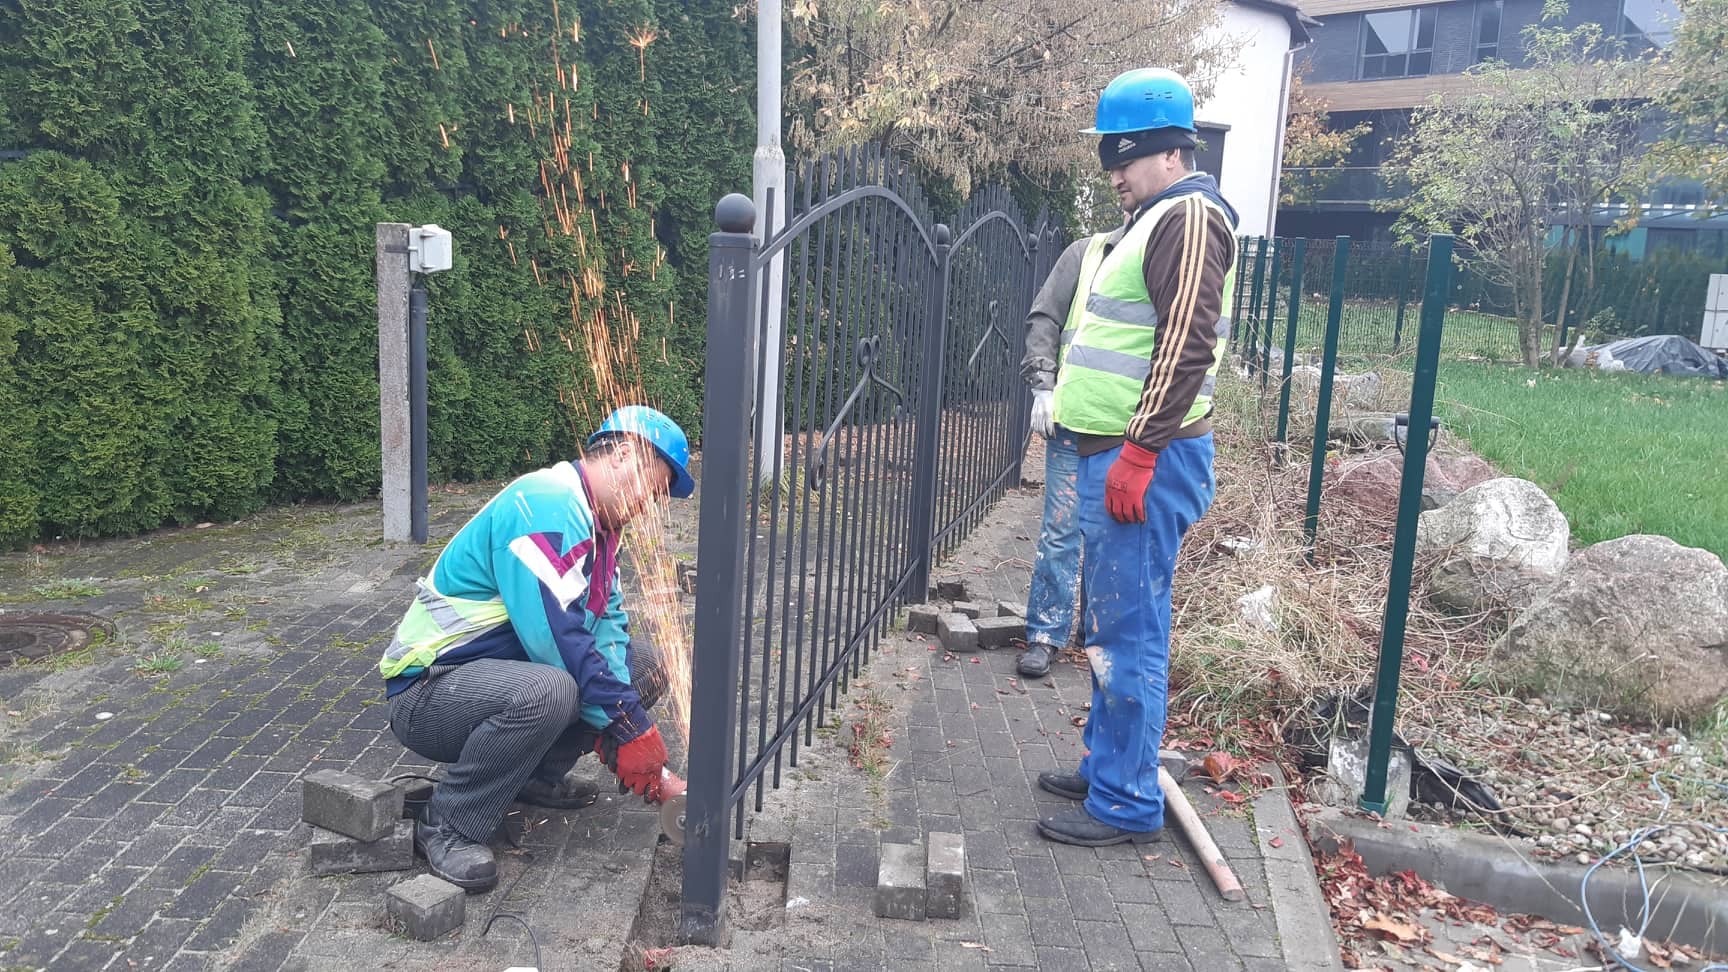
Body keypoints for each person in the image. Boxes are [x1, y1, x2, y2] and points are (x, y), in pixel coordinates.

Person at [1033, 68, 1239, 847]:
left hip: (1143, 464)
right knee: (1108, 624)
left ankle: (1124, 802)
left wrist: (1140, 452)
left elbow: (1185, 345)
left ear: (1169, 152)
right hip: (1116, 457)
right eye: (1108, 158)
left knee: (1130, 634)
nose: (1114, 172)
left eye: (1125, 155)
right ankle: (1107, 765)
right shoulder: (1155, 218)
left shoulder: (1187, 218)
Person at [378, 405, 696, 891]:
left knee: (644, 667)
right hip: (427, 691)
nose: (652, 504)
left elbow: (606, 628)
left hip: (494, 674)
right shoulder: (547, 505)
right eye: (655, 486)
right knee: (552, 690)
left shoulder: (601, 526)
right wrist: (626, 727)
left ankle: (533, 778)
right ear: (625, 455)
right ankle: (449, 823)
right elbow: (559, 640)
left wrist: (628, 725)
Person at [1017, 214, 1130, 680]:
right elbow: (1046, 318)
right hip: (1074, 422)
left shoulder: (1164, 257)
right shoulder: (1085, 254)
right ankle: (1045, 634)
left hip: (1129, 428)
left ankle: (1096, 631)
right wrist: (1043, 384)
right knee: (1061, 531)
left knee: (1111, 535)